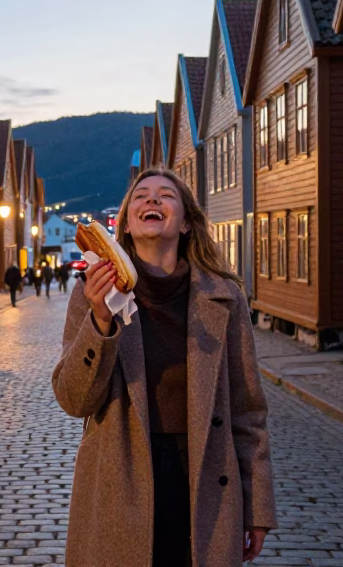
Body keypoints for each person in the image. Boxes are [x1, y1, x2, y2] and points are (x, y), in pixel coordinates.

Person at [52, 167, 276, 566]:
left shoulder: (225, 297)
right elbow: (74, 400)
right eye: (141, 196)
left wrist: (257, 508)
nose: (152, 200)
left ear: (187, 222)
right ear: (124, 224)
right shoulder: (93, 293)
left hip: (204, 479)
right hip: (120, 481)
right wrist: (101, 321)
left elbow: (248, 410)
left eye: (165, 195)